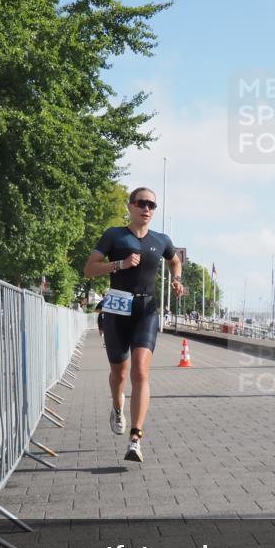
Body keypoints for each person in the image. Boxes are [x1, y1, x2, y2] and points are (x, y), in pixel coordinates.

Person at [84, 187, 183, 462]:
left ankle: (135, 438)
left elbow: (175, 261)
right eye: (141, 203)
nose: (147, 209)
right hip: (117, 308)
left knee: (140, 371)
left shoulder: (161, 240)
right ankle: (117, 406)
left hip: (146, 309)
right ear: (130, 206)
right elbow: (89, 268)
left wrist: (177, 280)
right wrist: (119, 264)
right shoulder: (114, 235)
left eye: (152, 204)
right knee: (120, 373)